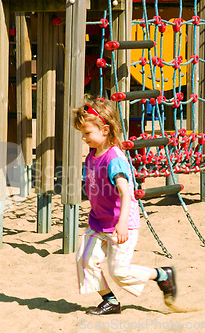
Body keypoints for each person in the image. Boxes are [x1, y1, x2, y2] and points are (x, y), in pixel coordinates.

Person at [73, 96, 177, 315]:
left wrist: (121, 224)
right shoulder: (92, 156)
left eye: (87, 133)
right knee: (85, 260)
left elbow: (126, 193)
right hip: (98, 220)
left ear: (105, 129)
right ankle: (109, 300)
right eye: (82, 133)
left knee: (119, 271)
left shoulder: (115, 159)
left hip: (122, 223)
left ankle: (162, 275)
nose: (84, 138)